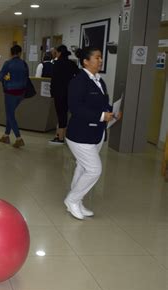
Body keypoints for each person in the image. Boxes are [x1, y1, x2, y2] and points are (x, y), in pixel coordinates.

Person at [64, 47, 121, 220]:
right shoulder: (78, 81)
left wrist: (113, 111)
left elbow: (102, 104)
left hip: (96, 133)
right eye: (97, 58)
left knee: (83, 168)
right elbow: (75, 108)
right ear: (86, 62)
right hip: (80, 134)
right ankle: (72, 200)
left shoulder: (99, 81)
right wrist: (102, 115)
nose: (101, 60)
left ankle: (77, 201)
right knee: (94, 169)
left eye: (101, 58)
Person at [0, 45, 27, 148]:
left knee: (10, 115)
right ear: (20, 53)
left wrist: (4, 77)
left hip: (10, 93)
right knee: (10, 113)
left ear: (11, 53)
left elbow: (0, 77)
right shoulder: (23, 63)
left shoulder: (8, 64)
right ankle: (6, 135)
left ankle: (19, 138)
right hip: (21, 93)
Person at [49, 45, 80, 144]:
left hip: (59, 93)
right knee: (66, 114)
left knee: (60, 114)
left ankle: (60, 137)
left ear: (59, 53)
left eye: (56, 52)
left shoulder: (56, 64)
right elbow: (79, 75)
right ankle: (64, 135)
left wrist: (52, 92)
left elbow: (53, 80)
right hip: (69, 93)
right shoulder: (71, 64)